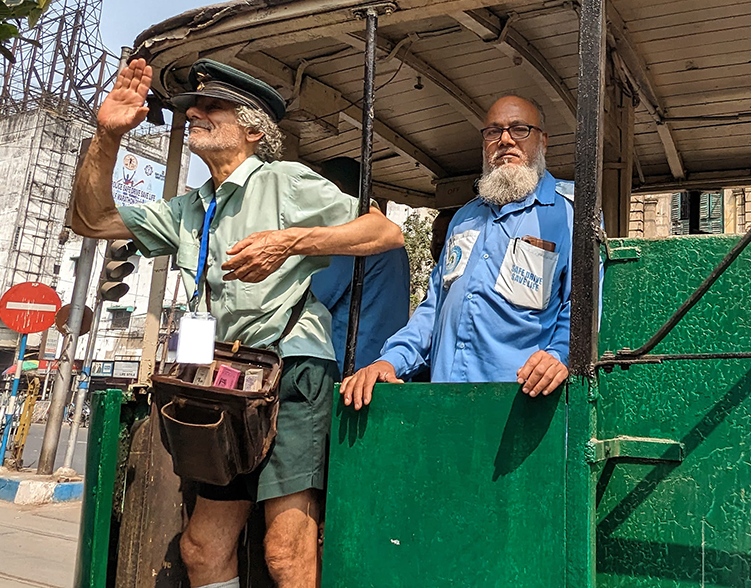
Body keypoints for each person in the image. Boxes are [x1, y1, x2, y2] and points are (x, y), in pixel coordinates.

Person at [70, 58, 403, 588]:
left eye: (210, 106)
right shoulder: (188, 208)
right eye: (191, 107)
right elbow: (90, 219)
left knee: (285, 554)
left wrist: (289, 240)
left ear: (252, 127)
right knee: (201, 549)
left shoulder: (285, 181)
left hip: (290, 369)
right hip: (219, 382)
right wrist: (106, 136)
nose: (195, 113)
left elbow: (384, 233)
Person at [341, 95, 575, 409]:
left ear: (542, 141)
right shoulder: (465, 218)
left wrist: (559, 354)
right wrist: (391, 360)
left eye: (519, 130)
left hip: (520, 405)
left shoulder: (570, 214)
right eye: (493, 132)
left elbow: (584, 308)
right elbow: (434, 309)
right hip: (446, 402)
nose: (505, 140)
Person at [311, 157, 410, 375]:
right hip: (386, 363)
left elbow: (312, 297)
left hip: (350, 369)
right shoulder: (394, 246)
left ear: (335, 188)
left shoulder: (351, 237)